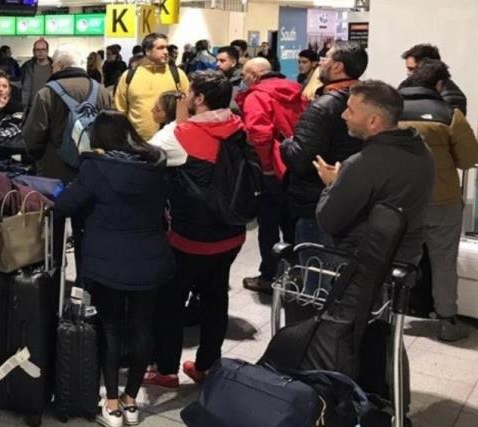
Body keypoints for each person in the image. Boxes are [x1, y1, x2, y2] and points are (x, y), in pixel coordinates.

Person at [52, 111, 173, 427]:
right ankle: (132, 401)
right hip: (151, 257)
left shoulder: (95, 167)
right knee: (143, 327)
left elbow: (64, 205)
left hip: (107, 261)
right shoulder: (156, 164)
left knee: (111, 328)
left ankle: (111, 404)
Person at [314, 81, 433, 401]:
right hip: (405, 262)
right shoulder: (421, 150)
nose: (343, 115)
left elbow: (329, 219)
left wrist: (332, 184)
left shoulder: (363, 165)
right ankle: (392, 403)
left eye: (351, 110)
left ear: (373, 121)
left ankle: (353, 404)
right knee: (386, 335)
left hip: (366, 268)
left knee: (352, 338)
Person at [146, 71, 246, 388]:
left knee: (170, 302)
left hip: (192, 238)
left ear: (199, 98)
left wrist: (177, 122)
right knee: (215, 298)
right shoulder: (237, 125)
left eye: (190, 92)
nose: (185, 97)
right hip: (232, 232)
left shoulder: (179, 134)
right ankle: (206, 366)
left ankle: (165, 370)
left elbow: (147, 155)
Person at [398, 59, 478, 341]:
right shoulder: (449, 113)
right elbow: (469, 158)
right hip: (442, 200)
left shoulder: (392, 109)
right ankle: (447, 322)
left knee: (395, 258)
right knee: (444, 262)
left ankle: (389, 315)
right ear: (440, 84)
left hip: (399, 200)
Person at [281, 42, 368, 247]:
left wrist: (286, 143)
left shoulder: (323, 107)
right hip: (354, 199)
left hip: (318, 204)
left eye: (325, 57)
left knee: (315, 263)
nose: (321, 63)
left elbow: (300, 159)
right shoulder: (367, 101)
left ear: (338, 66)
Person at [236, 58, 305, 293]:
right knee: (291, 222)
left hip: (272, 167)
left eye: (245, 74)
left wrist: (266, 165)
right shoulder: (296, 90)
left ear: (255, 74)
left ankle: (269, 275)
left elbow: (260, 134)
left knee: (268, 224)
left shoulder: (256, 96)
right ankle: (296, 274)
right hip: (295, 163)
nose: (243, 79)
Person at [23, 44, 113, 182]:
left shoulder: (46, 93)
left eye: (53, 66)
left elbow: (33, 136)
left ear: (59, 65)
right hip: (93, 169)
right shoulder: (102, 91)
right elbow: (110, 132)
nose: (52, 69)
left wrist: (38, 160)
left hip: (54, 173)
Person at [115, 33, 191, 142]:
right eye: (160, 48)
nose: (166, 52)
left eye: (166, 48)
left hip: (170, 142)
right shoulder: (129, 76)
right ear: (147, 51)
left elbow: (188, 106)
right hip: (136, 142)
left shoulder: (177, 75)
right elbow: (120, 110)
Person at [400, 43, 467, 115]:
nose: (408, 73)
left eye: (411, 69)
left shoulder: (451, 95)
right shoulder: (404, 88)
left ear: (428, 66)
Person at [147, 90, 188, 167]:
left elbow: (147, 151)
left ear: (170, 114)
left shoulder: (164, 139)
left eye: (157, 109)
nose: (152, 110)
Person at [21, 38, 54, 106]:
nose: (40, 52)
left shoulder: (54, 67)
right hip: (32, 106)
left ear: (47, 51)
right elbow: (25, 89)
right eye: (38, 50)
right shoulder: (28, 66)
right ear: (34, 51)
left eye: (43, 49)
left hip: (50, 106)